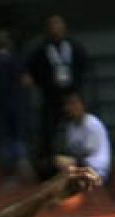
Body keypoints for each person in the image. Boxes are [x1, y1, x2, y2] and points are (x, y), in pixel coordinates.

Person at [26, 15, 90, 179]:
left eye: (59, 26)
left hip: (71, 95)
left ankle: (83, 167)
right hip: (50, 97)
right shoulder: (40, 48)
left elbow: (84, 65)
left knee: (78, 131)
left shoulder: (73, 46)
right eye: (53, 26)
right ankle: (46, 171)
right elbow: (29, 70)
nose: (56, 29)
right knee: (47, 134)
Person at [0, 30, 33, 187]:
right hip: (18, 105)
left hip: (0, 107)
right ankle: (22, 161)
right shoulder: (18, 60)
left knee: (4, 140)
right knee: (19, 136)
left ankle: (10, 175)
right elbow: (27, 81)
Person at [55, 92, 111, 184]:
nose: (71, 108)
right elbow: (71, 149)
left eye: (74, 104)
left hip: (95, 167)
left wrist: (69, 161)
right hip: (81, 164)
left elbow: (88, 152)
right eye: (69, 105)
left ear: (83, 106)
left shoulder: (92, 124)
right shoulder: (71, 126)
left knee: (61, 164)